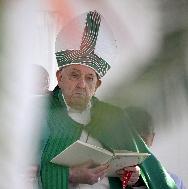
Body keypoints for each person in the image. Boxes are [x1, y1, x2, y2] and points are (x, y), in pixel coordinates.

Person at [38, 10, 177, 189]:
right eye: (74, 75)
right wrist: (69, 175)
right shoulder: (38, 112)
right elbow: (16, 166)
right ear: (59, 76)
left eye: (89, 78)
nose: (81, 84)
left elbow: (152, 174)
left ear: (97, 85)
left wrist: (136, 176)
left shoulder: (113, 117)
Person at [125, 106, 186, 189]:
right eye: (130, 140)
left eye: (142, 140)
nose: (136, 147)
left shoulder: (174, 183)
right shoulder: (103, 179)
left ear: (152, 139)